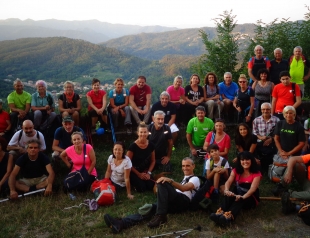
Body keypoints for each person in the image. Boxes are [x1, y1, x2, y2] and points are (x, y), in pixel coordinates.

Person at [103, 157, 200, 233]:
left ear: (193, 166)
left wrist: (170, 181)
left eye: (188, 166)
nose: (185, 168)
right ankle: (121, 223)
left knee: (163, 182)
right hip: (174, 203)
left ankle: (161, 216)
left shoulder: (195, 179)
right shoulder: (183, 179)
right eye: (183, 166)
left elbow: (184, 188)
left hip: (183, 202)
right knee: (148, 209)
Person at [210, 151, 261, 226]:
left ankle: (229, 217)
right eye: (242, 160)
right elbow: (228, 182)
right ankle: (220, 212)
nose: (245, 162)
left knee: (240, 199)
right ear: (240, 161)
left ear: (251, 161)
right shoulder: (235, 171)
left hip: (250, 198)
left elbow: (252, 189)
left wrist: (243, 197)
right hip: (237, 194)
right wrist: (226, 190)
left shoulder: (257, 174)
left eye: (247, 160)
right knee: (229, 194)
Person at [126, 122, 155, 192]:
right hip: (134, 171)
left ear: (148, 133)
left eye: (145, 132)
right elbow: (127, 163)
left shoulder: (151, 145)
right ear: (138, 133)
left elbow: (153, 161)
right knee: (142, 188)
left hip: (145, 171)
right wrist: (138, 174)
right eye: (141, 132)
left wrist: (149, 173)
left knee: (151, 185)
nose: (143, 134)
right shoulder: (132, 147)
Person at [252, 103, 280, 170]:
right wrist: (261, 137)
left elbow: (279, 133)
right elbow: (255, 132)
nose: (265, 111)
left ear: (270, 110)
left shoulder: (277, 120)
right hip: (260, 142)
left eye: (267, 109)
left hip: (272, 142)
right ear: (261, 110)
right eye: (263, 109)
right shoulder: (256, 120)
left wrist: (271, 139)